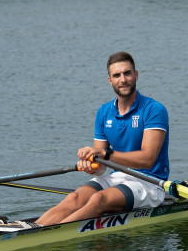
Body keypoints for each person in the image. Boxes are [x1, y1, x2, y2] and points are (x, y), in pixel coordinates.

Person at [35, 52, 169, 226]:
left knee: (98, 199)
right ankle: (34, 229)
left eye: (127, 73)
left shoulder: (154, 109)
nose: (123, 80)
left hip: (149, 182)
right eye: (117, 75)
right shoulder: (104, 112)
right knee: (74, 197)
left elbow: (147, 159)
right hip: (118, 177)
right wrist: (91, 166)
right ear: (110, 80)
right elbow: (101, 166)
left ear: (136, 75)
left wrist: (105, 154)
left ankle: (51, 234)